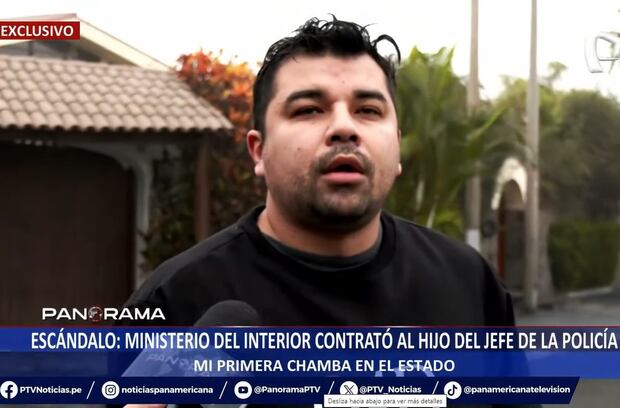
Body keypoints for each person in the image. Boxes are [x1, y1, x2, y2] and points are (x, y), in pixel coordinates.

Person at [123, 16, 524, 408]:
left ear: (397, 147)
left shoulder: (469, 283)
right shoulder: (174, 300)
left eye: (368, 110)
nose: (344, 128)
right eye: (309, 110)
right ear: (259, 151)